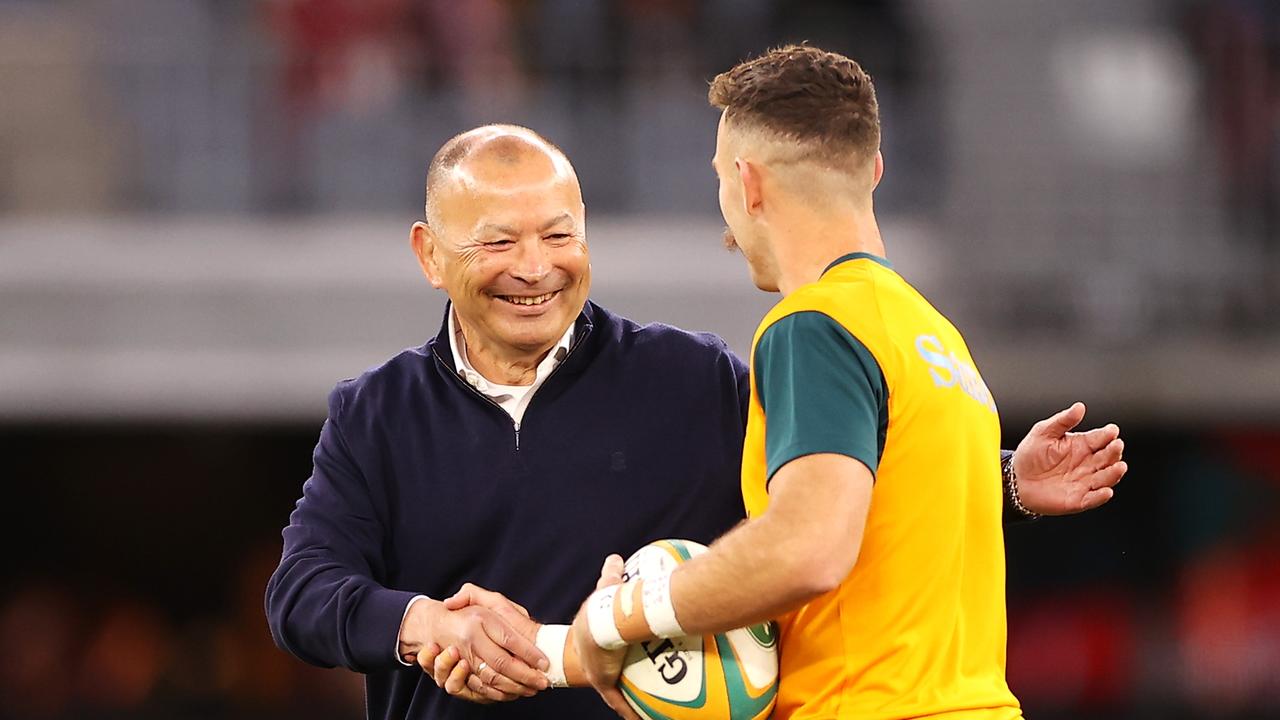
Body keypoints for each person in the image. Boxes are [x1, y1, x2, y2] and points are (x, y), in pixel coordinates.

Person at [266, 123, 1126, 720]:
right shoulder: (373, 412)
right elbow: (299, 595)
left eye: (558, 234)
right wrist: (423, 625)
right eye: (497, 242)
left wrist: (1003, 475)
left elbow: (841, 470)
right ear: (428, 254)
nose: (536, 268)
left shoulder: (694, 377)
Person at [566, 46, 1126, 720]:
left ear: (748, 184)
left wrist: (618, 617)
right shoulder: (932, 333)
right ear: (875, 170)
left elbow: (809, 548)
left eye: (720, 181)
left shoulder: (811, 325)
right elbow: (894, 501)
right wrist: (998, 480)